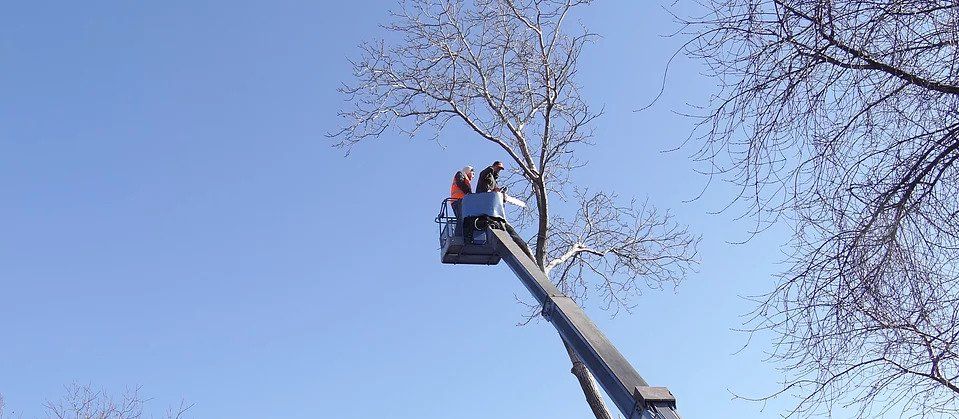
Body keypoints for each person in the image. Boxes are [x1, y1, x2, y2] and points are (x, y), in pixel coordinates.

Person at [449, 165, 474, 234]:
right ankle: (459, 235)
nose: (473, 176)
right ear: (469, 171)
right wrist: (469, 193)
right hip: (458, 200)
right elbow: (461, 184)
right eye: (473, 173)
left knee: (463, 218)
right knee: (461, 218)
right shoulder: (460, 174)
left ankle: (464, 235)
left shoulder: (466, 179)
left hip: (460, 201)